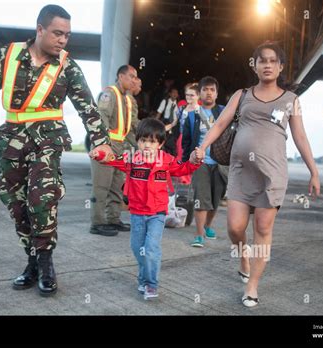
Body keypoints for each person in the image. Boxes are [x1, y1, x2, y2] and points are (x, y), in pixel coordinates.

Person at [0, 4, 113, 297]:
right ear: (40, 30)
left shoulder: (67, 67)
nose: (63, 40)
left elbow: (88, 107)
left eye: (67, 35)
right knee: (16, 203)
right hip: (12, 140)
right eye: (58, 33)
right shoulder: (7, 56)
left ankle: (46, 264)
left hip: (48, 139)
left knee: (42, 199)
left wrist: (102, 141)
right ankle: (32, 262)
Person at [199, 41, 321, 307]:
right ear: (254, 66)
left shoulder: (291, 100)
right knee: (234, 228)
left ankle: (252, 286)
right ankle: (243, 255)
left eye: (272, 61)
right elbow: (220, 123)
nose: (267, 65)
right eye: (262, 60)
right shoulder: (241, 95)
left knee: (263, 229)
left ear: (281, 66)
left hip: (273, 174)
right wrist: (203, 146)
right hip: (241, 172)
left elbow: (300, 136)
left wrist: (314, 171)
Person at [90, 118, 203, 300]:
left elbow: (183, 169)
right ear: (138, 141)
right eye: (143, 140)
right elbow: (112, 160)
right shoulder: (132, 159)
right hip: (136, 214)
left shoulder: (166, 160)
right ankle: (143, 279)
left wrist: (195, 160)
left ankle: (151, 284)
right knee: (137, 248)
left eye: (152, 141)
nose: (147, 145)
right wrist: (99, 154)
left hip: (157, 213)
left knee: (150, 249)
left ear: (161, 143)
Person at [90, 65, 138, 236]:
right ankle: (97, 223)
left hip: (120, 147)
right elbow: (101, 119)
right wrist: (103, 145)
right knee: (101, 186)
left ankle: (113, 219)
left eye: (135, 77)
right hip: (106, 145)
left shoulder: (128, 100)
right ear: (120, 76)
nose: (134, 80)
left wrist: (139, 146)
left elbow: (130, 129)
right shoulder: (109, 94)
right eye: (131, 76)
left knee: (116, 186)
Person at [182, 76, 226, 247]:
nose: (208, 93)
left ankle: (208, 225)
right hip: (200, 163)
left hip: (221, 163)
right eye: (205, 89)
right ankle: (199, 234)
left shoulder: (224, 112)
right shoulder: (192, 116)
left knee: (216, 199)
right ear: (199, 93)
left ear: (216, 93)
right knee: (202, 198)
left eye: (212, 90)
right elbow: (186, 141)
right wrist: (186, 163)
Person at [156, 87, 179, 156]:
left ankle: (172, 157)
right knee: (165, 141)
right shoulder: (165, 101)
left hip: (175, 125)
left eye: (176, 93)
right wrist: (154, 124)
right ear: (170, 94)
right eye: (173, 92)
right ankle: (164, 155)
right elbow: (159, 112)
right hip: (165, 123)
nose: (175, 94)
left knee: (174, 141)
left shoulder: (179, 104)